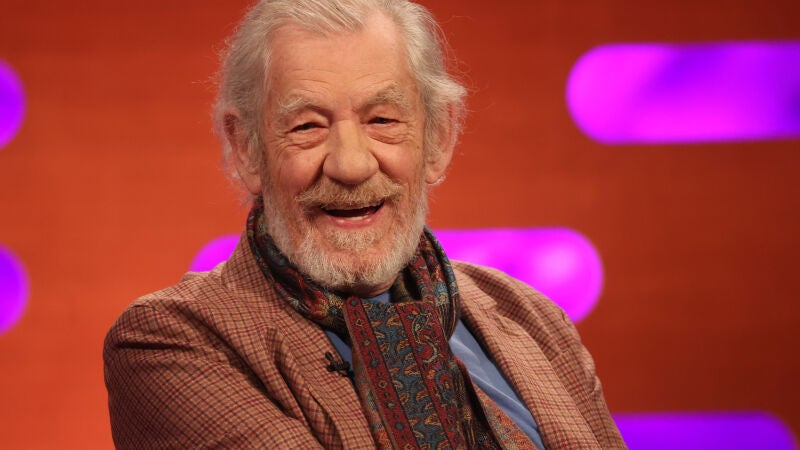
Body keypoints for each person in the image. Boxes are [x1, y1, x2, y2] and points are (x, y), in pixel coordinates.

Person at [103, 1, 626, 448]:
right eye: (306, 126)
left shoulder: (533, 320)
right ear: (246, 149)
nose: (351, 165)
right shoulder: (172, 342)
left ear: (439, 138)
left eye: (382, 120)